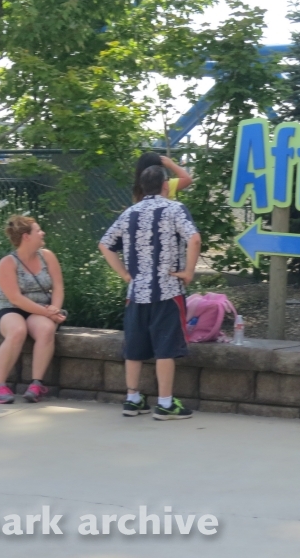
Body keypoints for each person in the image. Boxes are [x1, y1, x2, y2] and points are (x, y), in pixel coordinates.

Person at [99, 164, 201, 420]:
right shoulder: (175, 209)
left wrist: (125, 274)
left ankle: (133, 399)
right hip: (167, 291)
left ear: (142, 187)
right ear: (166, 185)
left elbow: (105, 244)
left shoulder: (130, 213)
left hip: (136, 293)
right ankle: (165, 403)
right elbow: (194, 239)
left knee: (134, 347)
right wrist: (188, 271)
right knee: (166, 347)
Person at [0, 215, 67, 404]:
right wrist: (49, 313)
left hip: (41, 308)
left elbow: (58, 286)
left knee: (46, 329)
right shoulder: (7, 263)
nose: (43, 233)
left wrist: (55, 308)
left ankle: (36, 384)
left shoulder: (48, 256)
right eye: (38, 230)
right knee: (17, 330)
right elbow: (16, 298)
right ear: (26, 236)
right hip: (10, 307)